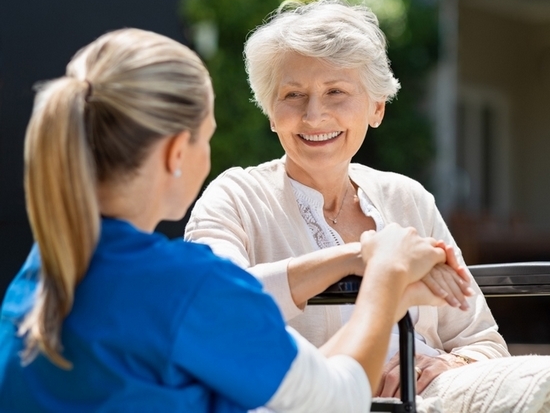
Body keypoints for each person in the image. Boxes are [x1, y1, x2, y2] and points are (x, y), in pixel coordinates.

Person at [0, 27, 458, 412]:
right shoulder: (187, 288)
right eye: (208, 138)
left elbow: (294, 385)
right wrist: (386, 275)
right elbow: (334, 398)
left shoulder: (43, 272)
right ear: (178, 152)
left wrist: (354, 258)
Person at [184, 0, 510, 397]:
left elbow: (483, 342)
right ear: (271, 112)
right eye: (293, 95)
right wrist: (360, 258)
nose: (314, 115)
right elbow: (216, 306)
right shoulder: (234, 197)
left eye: (336, 91)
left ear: (376, 107)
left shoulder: (407, 198)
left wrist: (445, 364)